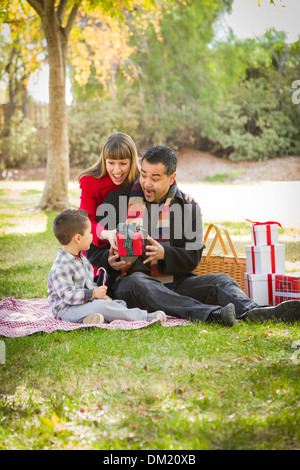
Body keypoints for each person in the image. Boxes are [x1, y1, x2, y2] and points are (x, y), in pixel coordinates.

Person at [86, 145, 300, 326]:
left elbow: (193, 257)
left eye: (155, 178)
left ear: (172, 178)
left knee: (221, 281)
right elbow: (93, 251)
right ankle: (211, 314)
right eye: (143, 175)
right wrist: (111, 262)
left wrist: (164, 254)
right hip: (129, 284)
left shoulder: (187, 207)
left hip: (175, 282)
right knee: (140, 282)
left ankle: (256, 312)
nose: (146, 183)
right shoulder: (117, 201)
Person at [47, 209, 167, 325]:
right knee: (102, 306)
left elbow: (88, 285)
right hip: (66, 310)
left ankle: (89, 319)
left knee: (118, 304)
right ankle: (145, 317)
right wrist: (93, 294)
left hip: (82, 304)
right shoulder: (61, 266)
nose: (92, 236)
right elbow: (68, 296)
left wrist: (101, 296)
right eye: (89, 233)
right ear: (78, 238)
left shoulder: (82, 259)